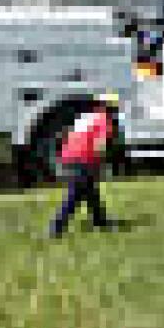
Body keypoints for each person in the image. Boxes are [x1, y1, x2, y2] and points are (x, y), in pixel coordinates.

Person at [48, 96, 119, 238]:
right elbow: (100, 144)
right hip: (82, 158)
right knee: (75, 194)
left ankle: (100, 220)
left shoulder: (86, 116)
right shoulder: (104, 119)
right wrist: (100, 164)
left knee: (90, 190)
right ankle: (56, 226)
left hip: (67, 156)